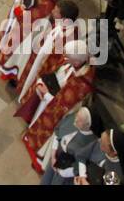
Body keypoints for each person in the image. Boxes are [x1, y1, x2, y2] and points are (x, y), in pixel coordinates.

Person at [18, 40, 96, 173]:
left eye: (68, 57)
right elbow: (59, 72)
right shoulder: (77, 62)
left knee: (49, 136)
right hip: (50, 97)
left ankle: (39, 158)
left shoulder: (81, 84)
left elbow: (64, 107)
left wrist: (47, 94)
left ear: (77, 62)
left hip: (60, 114)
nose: (65, 58)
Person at [0, 0, 62, 82]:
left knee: (18, 56)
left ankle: (14, 77)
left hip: (28, 35)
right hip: (21, 28)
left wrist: (18, 8)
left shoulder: (48, 2)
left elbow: (29, 19)